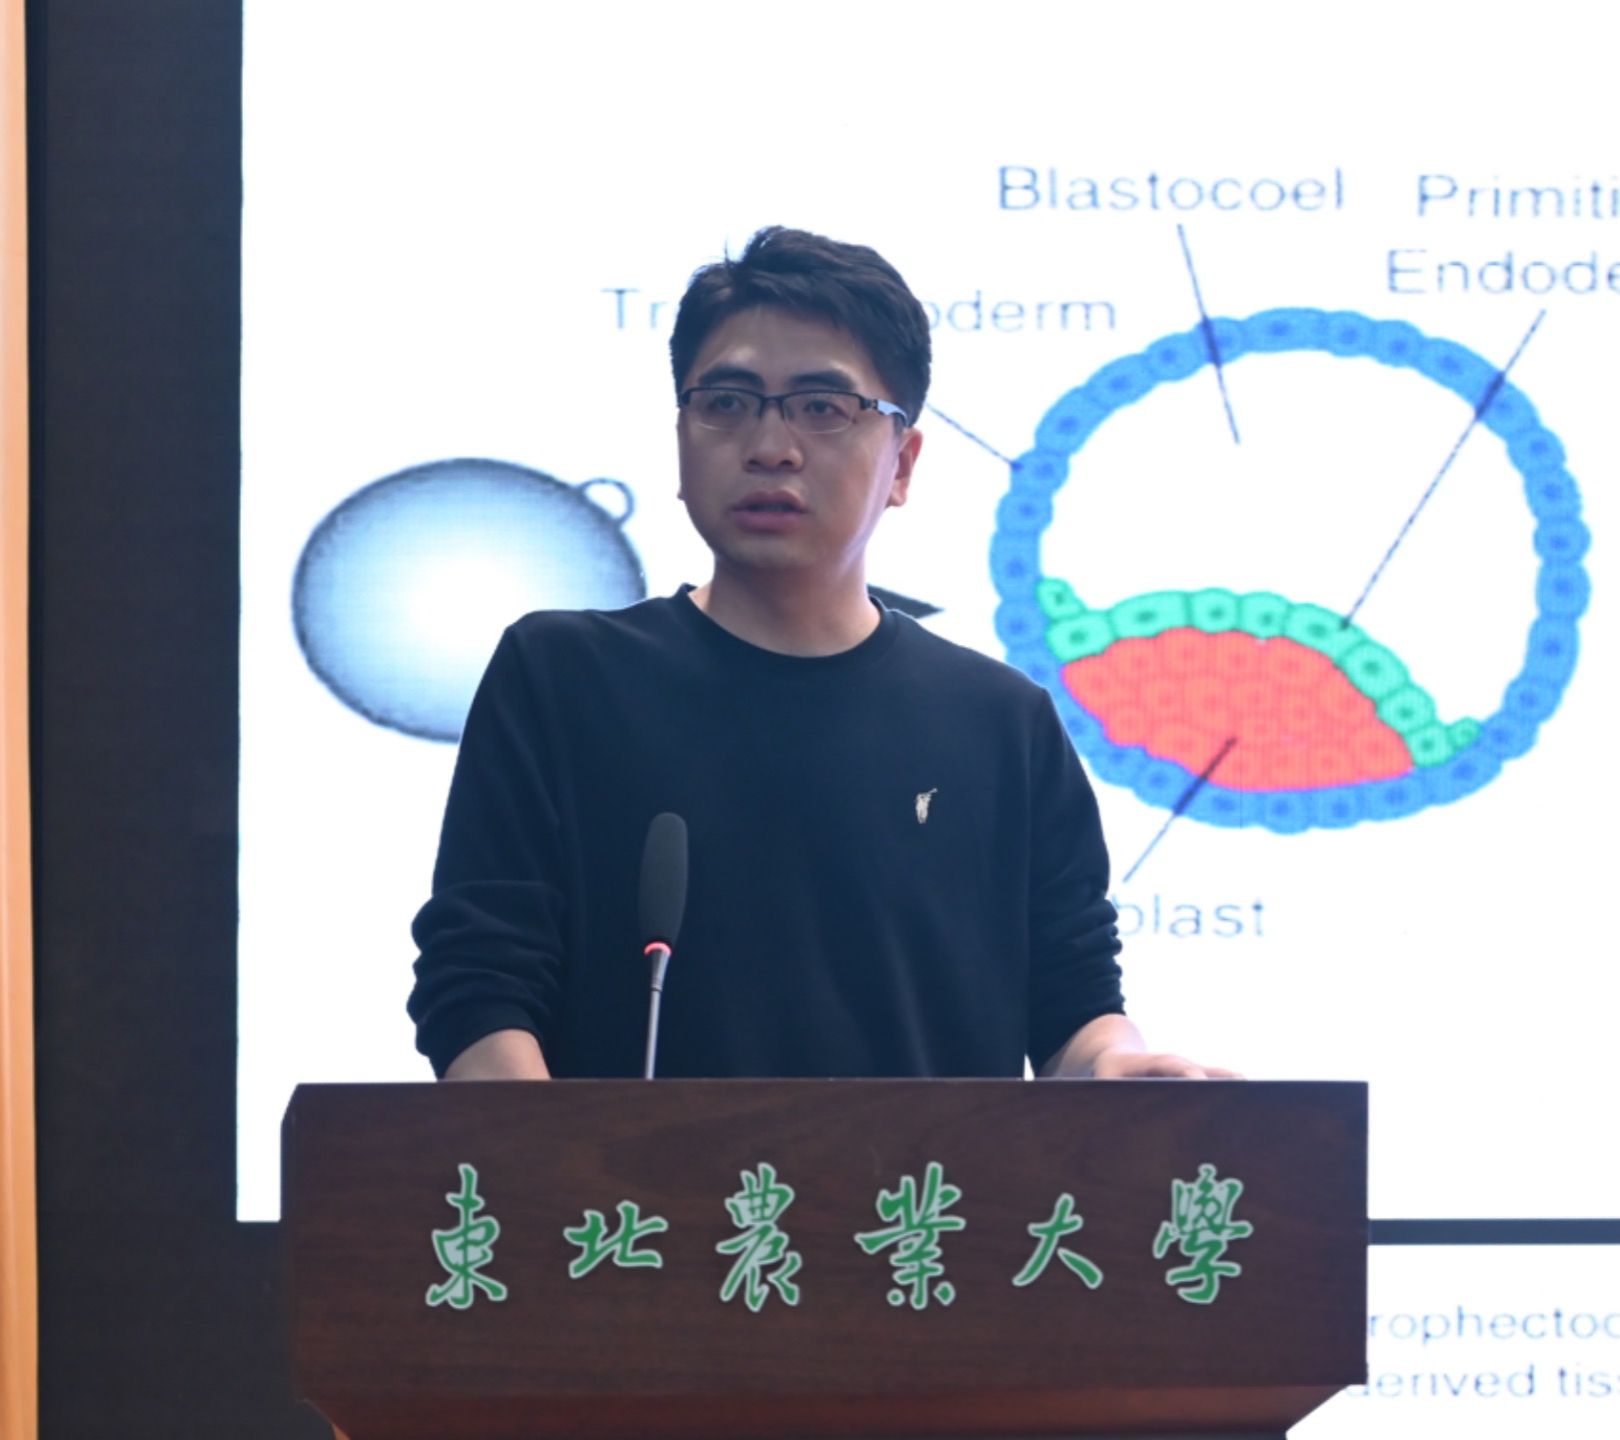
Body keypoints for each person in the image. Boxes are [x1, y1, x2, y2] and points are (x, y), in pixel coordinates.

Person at [407, 226, 1232, 1083]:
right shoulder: (564, 678)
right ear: (681, 437)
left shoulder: (999, 723)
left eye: (822, 407)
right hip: (620, 1179)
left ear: (902, 464)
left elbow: (1074, 1006)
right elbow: (480, 988)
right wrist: (546, 1155)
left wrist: (1118, 1070)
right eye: (727, 402)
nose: (770, 446)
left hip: (926, 1180)